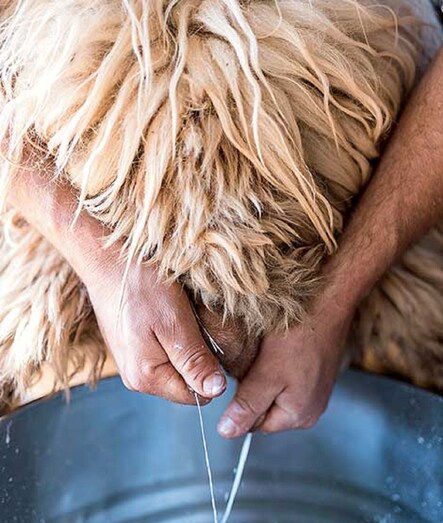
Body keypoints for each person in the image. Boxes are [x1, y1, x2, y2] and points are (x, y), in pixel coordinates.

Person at [0, 1, 442, 432]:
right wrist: (96, 254)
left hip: (364, 226)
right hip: (74, 219)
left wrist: (337, 297)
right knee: (53, 372)